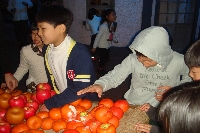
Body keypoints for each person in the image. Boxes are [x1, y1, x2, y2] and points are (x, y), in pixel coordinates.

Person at [77, 26, 191, 131]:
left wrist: (175, 91)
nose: (144, 65)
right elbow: (116, 75)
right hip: (134, 106)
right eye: (141, 60)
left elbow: (191, 78)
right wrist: (101, 84)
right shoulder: (133, 59)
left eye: (149, 61)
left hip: (164, 109)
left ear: (161, 54)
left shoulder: (179, 61)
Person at [35, 5, 99, 111]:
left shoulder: (79, 53)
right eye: (38, 28)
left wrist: (52, 103)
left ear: (61, 29)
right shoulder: (47, 49)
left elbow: (80, 87)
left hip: (85, 104)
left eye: (43, 28)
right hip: (64, 101)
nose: (39, 33)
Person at [1, 22, 48, 93]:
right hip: (34, 88)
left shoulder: (52, 49)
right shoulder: (26, 50)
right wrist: (13, 79)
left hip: (51, 87)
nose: (35, 37)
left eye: (38, 34)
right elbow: (23, 67)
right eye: (33, 33)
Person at [92, 9, 118, 75]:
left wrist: (115, 40)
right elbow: (98, 37)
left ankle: (100, 66)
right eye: (113, 15)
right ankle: (100, 69)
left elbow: (111, 34)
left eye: (115, 14)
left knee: (106, 58)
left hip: (107, 45)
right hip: (102, 46)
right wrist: (94, 47)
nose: (115, 16)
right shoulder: (103, 26)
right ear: (107, 17)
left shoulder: (111, 25)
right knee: (105, 58)